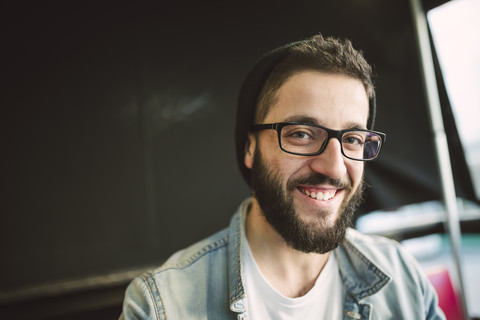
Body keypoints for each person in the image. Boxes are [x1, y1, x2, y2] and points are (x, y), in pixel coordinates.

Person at [120, 34, 445, 319]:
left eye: (352, 140)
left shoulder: (404, 279)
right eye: (302, 134)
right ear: (250, 149)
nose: (333, 167)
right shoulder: (160, 306)